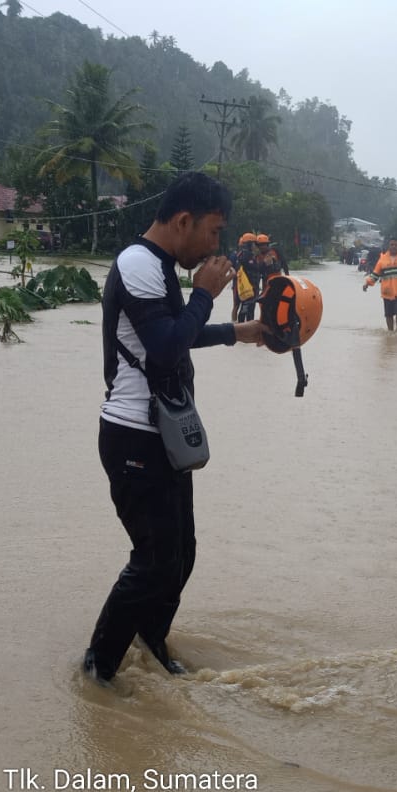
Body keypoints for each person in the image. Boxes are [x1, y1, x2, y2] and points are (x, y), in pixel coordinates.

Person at [86, 172, 264, 685]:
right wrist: (206, 294)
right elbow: (165, 345)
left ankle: (150, 640)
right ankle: (99, 671)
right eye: (213, 232)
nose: (216, 245)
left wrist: (237, 331)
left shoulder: (159, 268)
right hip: (132, 436)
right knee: (154, 559)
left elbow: (170, 336)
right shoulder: (139, 263)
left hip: (161, 436)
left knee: (180, 555)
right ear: (183, 221)